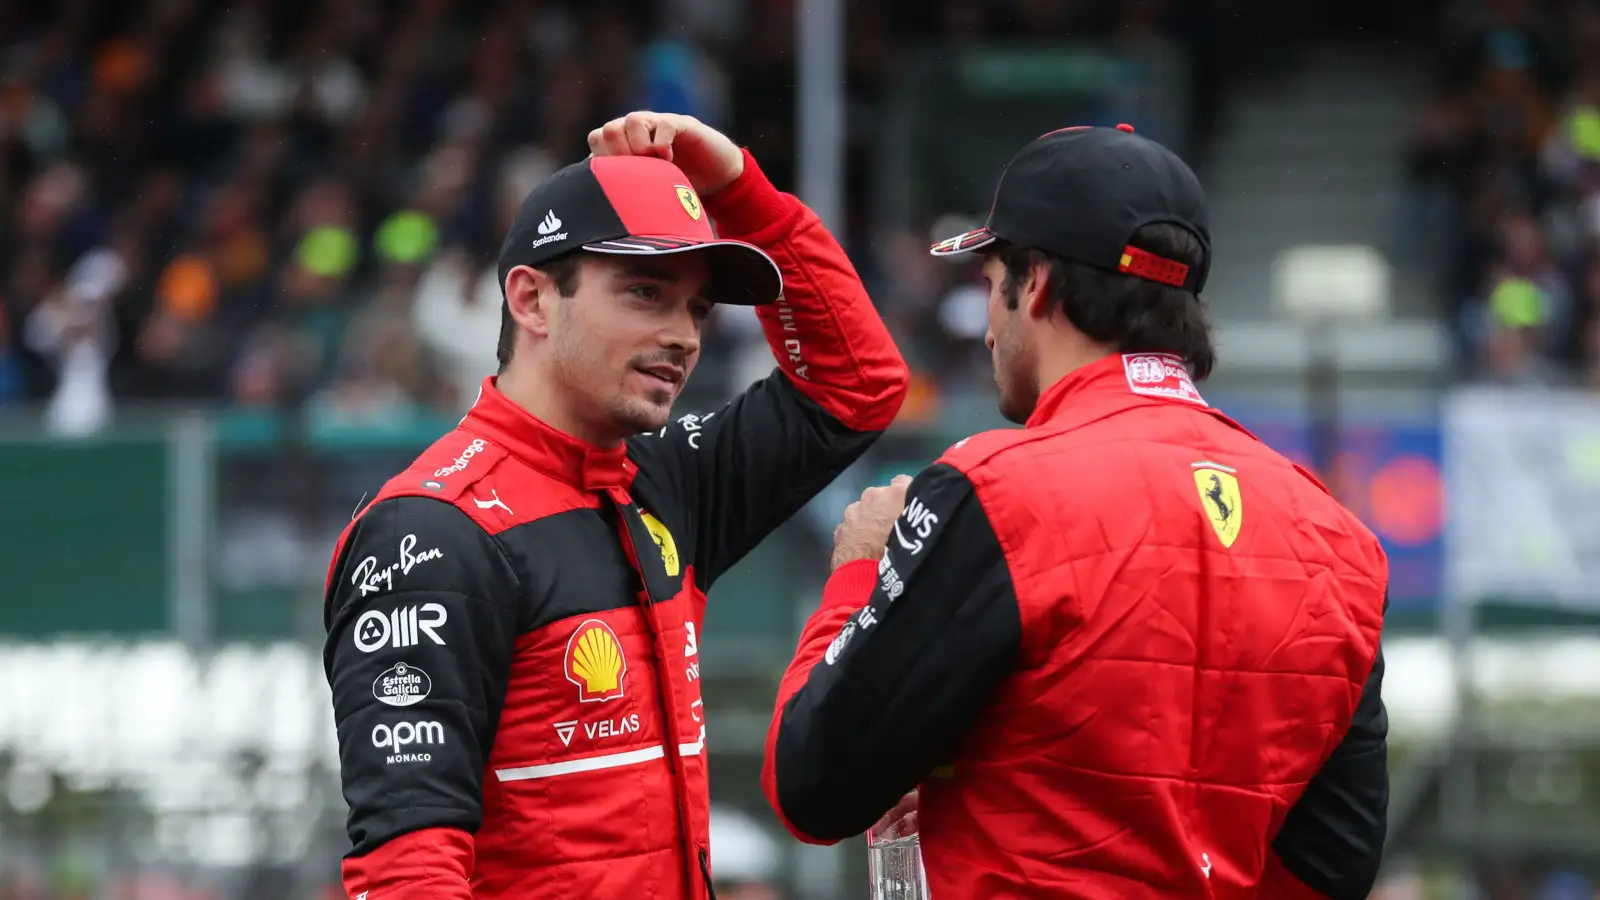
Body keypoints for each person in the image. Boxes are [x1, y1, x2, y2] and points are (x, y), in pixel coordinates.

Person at [761, 125, 1389, 900]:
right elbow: (1336, 866)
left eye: (990, 282)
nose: (989, 324)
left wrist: (861, 570)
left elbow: (814, 782)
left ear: (1041, 284)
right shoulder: (1341, 540)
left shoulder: (993, 488)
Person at [323, 111, 908, 900]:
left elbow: (857, 387)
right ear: (531, 300)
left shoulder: (662, 478)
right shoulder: (431, 533)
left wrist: (742, 190)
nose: (683, 336)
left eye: (697, 308)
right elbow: (408, 870)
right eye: (645, 292)